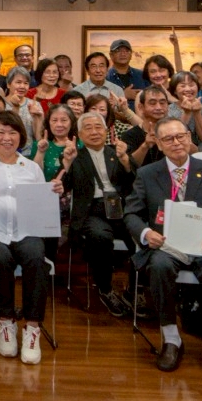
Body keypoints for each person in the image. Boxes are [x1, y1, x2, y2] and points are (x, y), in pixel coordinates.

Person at [124, 118, 202, 375]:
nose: (176, 143)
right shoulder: (147, 173)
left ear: (189, 138)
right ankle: (171, 338)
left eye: (180, 136)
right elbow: (131, 213)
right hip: (166, 246)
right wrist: (145, 233)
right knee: (159, 267)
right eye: (168, 139)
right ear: (158, 143)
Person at [0, 110, 59, 364]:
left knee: (36, 258)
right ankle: (6, 322)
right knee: (1, 259)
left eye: (13, 132)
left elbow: (40, 207)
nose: (7, 138)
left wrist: (52, 194)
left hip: (24, 230)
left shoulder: (31, 167)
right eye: (1, 132)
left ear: (21, 136)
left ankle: (33, 328)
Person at [63, 110, 130, 309]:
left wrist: (126, 162)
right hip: (91, 210)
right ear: (79, 135)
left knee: (142, 234)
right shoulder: (75, 156)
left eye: (98, 127)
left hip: (120, 208)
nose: (94, 132)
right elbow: (63, 187)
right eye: (88, 128)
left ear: (106, 131)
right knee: (100, 237)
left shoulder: (117, 152)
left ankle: (135, 289)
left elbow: (133, 183)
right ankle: (105, 288)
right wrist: (67, 164)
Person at [120, 86, 175, 170]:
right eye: (152, 103)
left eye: (162, 103)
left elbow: (194, 154)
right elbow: (129, 167)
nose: (158, 107)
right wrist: (145, 146)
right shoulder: (129, 135)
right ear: (141, 107)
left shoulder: (177, 129)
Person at [34, 104, 77, 181]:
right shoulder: (39, 145)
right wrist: (41, 152)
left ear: (72, 122)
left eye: (64, 120)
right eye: (54, 120)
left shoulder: (79, 145)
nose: (59, 124)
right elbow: (35, 175)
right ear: (48, 123)